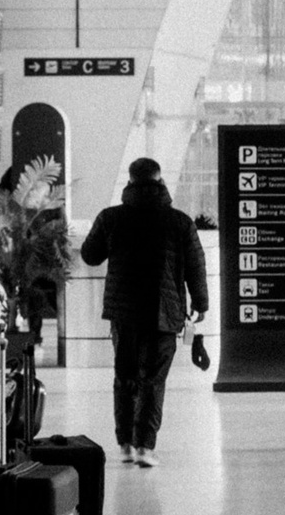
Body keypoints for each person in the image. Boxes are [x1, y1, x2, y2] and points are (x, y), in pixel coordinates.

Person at [79, 157, 208, 470]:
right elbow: (195, 265)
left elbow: (90, 255)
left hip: (124, 315)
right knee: (153, 380)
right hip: (164, 313)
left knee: (125, 379)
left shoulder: (111, 218)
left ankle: (124, 445)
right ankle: (145, 448)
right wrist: (200, 303)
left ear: (130, 182)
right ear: (161, 181)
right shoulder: (179, 222)